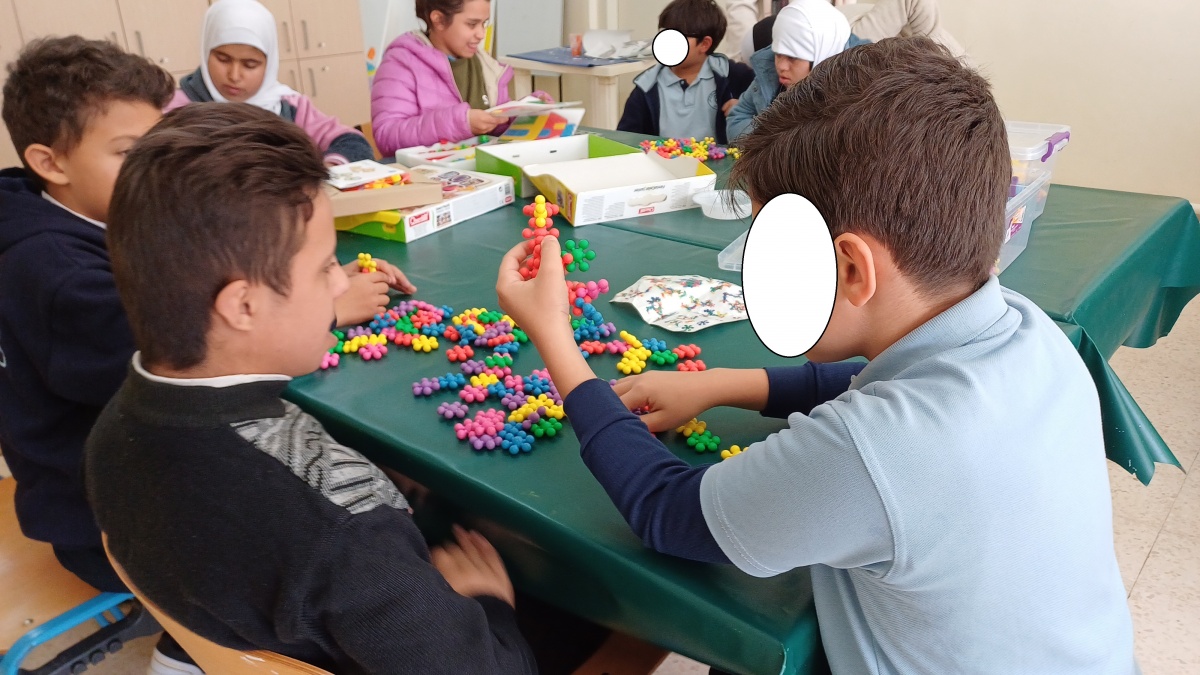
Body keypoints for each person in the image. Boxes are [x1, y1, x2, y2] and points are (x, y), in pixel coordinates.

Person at [495, 37, 1139, 675]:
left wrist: (556, 339)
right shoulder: (1033, 331)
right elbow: (868, 382)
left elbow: (666, 511)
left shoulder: (872, 449)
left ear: (852, 268)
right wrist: (720, 384)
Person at [88, 103, 538, 674]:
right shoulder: (349, 528)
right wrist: (489, 607)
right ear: (243, 306)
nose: (340, 285)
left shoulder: (110, 433)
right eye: (326, 266)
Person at [0, 36, 204, 675]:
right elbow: (185, 359)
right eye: (129, 154)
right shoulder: (60, 275)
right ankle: (187, 655)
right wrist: (318, 306)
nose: (155, 171)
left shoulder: (51, 214)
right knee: (278, 533)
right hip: (106, 524)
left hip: (86, 484)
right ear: (50, 162)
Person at [167, 0, 374, 166]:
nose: (234, 75)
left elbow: (352, 142)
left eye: (250, 64)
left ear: (269, 63)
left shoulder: (288, 106)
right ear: (206, 53)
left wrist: (332, 167)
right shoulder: (176, 109)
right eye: (223, 59)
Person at [371, 0, 551, 154]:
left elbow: (497, 126)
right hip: (429, 178)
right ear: (438, 20)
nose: (481, 34)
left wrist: (525, 112)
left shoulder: (485, 65)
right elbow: (387, 136)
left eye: (484, 23)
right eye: (472, 24)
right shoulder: (401, 62)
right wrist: (461, 123)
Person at [726, 0, 867, 141]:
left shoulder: (860, 90)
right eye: (778, 54)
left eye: (792, 58)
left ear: (822, 55)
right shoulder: (768, 71)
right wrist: (773, 139)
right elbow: (737, 119)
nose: (781, 66)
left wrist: (775, 139)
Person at [618, 0, 754, 144]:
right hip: (662, 157)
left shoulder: (735, 76)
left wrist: (747, 111)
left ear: (704, 44)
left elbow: (766, 113)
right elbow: (625, 140)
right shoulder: (647, 87)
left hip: (721, 158)